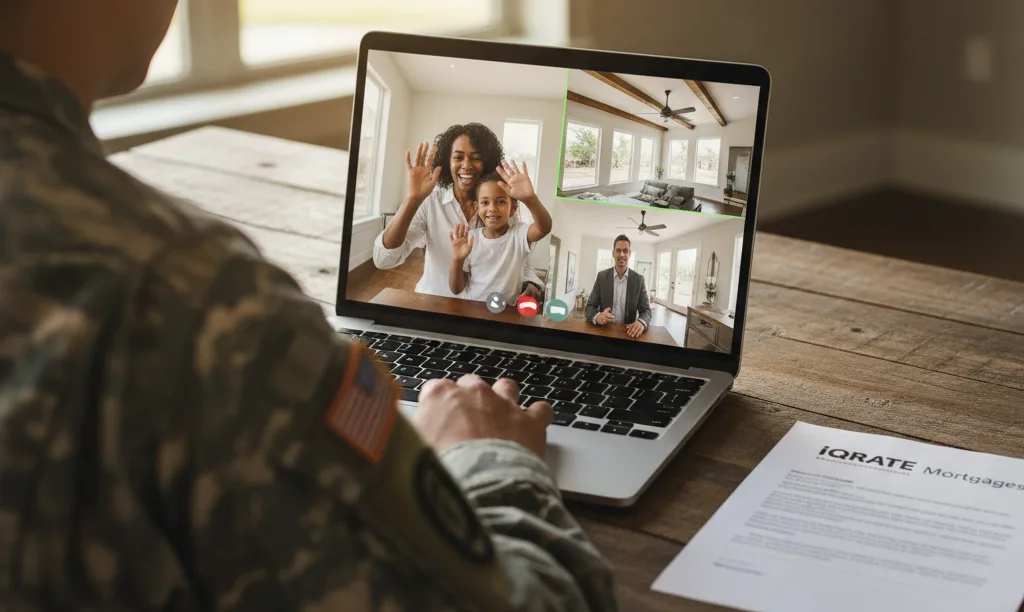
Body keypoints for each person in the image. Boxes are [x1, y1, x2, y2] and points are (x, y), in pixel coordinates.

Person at [0, 2, 618, 610]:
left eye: (475, 162)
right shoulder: (195, 293)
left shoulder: (501, 214)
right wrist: (496, 460)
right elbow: (533, 603)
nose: (468, 171)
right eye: (457, 159)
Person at [373, 124, 546, 300]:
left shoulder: (501, 207)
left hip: (480, 309)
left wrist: (530, 283)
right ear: (448, 162)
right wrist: (412, 199)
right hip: (433, 302)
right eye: (458, 157)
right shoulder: (431, 201)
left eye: (476, 158)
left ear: (487, 163)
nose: (466, 165)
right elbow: (383, 260)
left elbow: (513, 256)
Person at [449, 163, 552, 301]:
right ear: (476, 207)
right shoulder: (471, 239)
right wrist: (457, 260)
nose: (492, 208)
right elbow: (456, 289)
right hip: (474, 310)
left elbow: (543, 228)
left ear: (513, 208)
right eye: (485, 202)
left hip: (506, 311)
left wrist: (530, 199)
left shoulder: (518, 234)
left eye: (500, 202)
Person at [585, 235, 652, 339]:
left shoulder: (639, 280)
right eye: (618, 250)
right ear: (613, 253)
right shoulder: (602, 277)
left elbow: (646, 311)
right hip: (604, 333)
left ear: (629, 254)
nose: (621, 254)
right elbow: (590, 307)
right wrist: (597, 316)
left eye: (625, 251)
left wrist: (641, 322)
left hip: (628, 335)